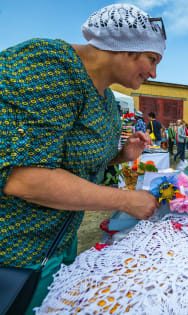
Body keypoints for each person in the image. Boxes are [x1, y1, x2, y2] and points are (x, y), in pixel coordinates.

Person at [0, 3, 164, 313]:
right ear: (127, 46)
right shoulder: (48, 67)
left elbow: (73, 160)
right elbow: (25, 178)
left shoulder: (106, 99)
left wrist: (121, 155)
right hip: (17, 250)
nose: (154, 73)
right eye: (151, 59)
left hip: (59, 240)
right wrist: (126, 200)